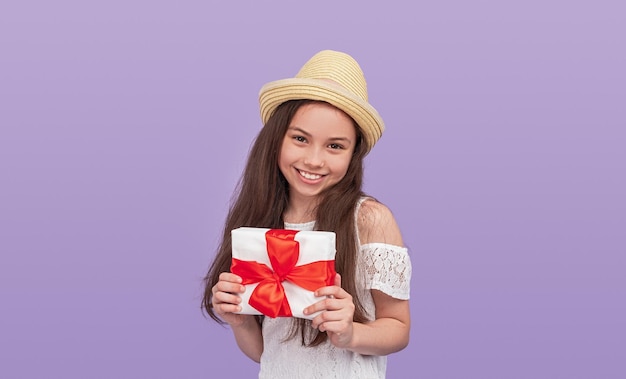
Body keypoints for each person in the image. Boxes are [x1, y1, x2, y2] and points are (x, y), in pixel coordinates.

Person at [202, 49, 412, 378]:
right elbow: (264, 353)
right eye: (300, 138)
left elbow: (398, 328)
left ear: (353, 153)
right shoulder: (259, 221)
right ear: (276, 139)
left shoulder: (369, 220)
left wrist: (350, 333)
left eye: (335, 146)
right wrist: (239, 320)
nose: (314, 160)